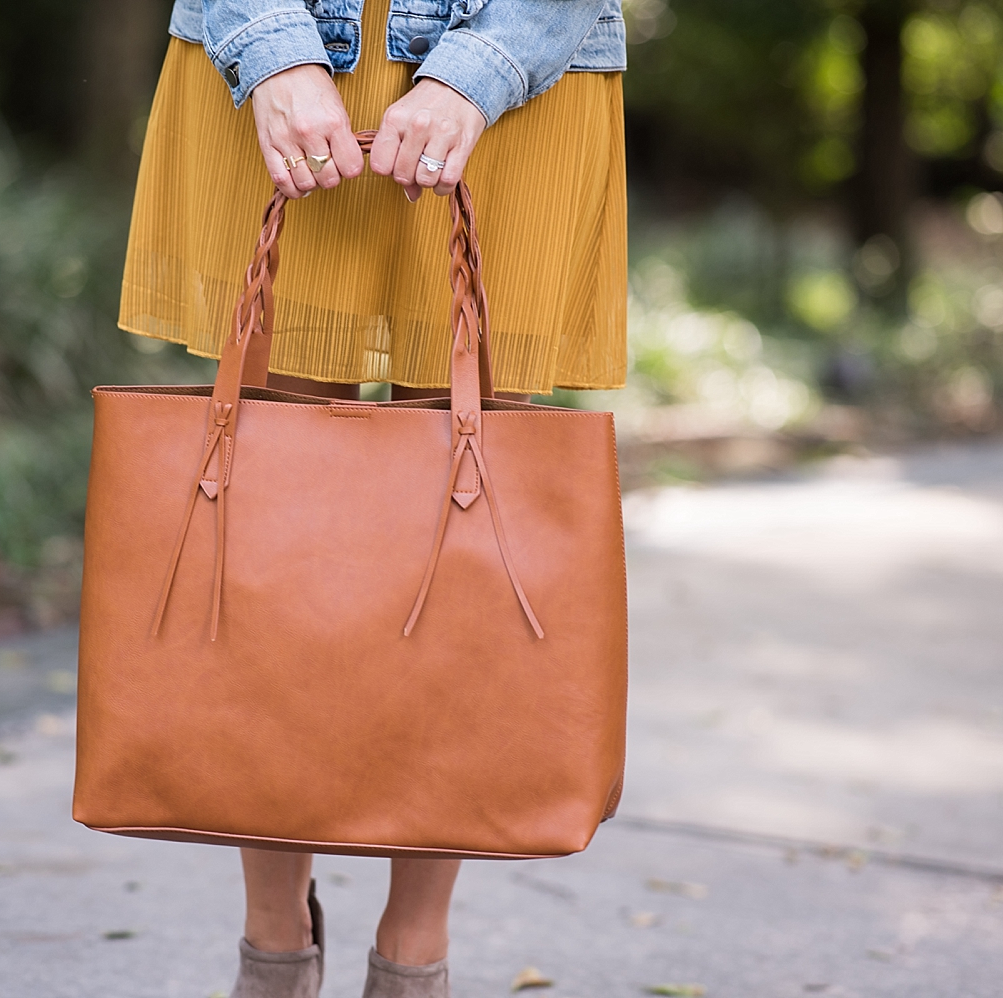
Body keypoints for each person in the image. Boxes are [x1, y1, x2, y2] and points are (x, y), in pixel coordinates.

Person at [117, 2, 628, 995]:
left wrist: (477, 69)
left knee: (471, 536)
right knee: (268, 529)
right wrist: (270, 50)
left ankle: (415, 949)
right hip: (275, 65)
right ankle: (274, 941)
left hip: (527, 75)